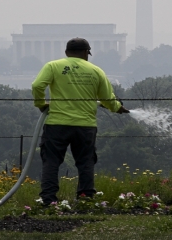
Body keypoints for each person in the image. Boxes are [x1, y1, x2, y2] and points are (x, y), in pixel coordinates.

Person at [31, 37, 129, 205]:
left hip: (57, 124)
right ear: (86, 53)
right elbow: (107, 98)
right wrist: (117, 108)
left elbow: (37, 86)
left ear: (66, 53)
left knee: (52, 161)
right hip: (85, 126)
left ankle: (48, 200)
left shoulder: (53, 66)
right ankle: (85, 199)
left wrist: (41, 104)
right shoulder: (96, 70)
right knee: (85, 162)